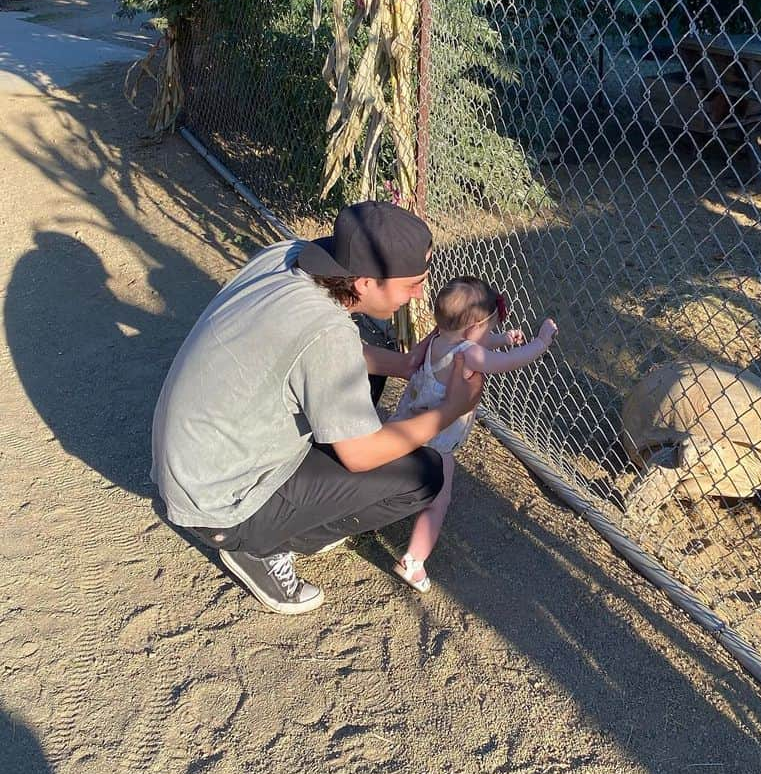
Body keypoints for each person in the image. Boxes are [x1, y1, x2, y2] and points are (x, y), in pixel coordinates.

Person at [151, 202, 483, 615]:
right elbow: (359, 455)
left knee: (361, 377)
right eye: (412, 284)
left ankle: (285, 507)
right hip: (220, 505)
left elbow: (314, 350)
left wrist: (399, 363)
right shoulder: (329, 334)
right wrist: (451, 409)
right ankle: (261, 547)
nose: (420, 294)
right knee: (425, 474)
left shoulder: (290, 255)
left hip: (195, 459)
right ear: (364, 283)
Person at [389, 277, 558, 593]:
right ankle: (413, 561)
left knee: (392, 474)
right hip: (435, 443)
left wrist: (502, 337)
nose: (488, 335)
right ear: (471, 331)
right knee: (438, 500)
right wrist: (541, 343)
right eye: (488, 328)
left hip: (407, 423)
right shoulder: (469, 354)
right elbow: (508, 362)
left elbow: (474, 343)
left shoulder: (440, 338)